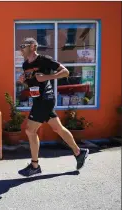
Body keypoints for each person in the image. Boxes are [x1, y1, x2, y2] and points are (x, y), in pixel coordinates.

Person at [17, 37, 89, 177]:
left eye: (23, 45)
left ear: (32, 46)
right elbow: (32, 83)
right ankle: (79, 152)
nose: (21, 48)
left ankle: (34, 165)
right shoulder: (25, 65)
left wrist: (46, 77)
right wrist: (24, 81)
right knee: (58, 128)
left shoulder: (44, 60)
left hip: (45, 99)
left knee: (30, 131)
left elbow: (65, 72)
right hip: (38, 100)